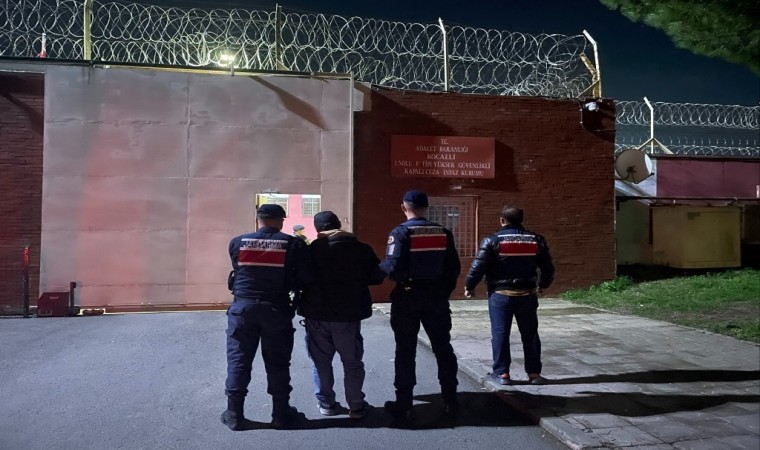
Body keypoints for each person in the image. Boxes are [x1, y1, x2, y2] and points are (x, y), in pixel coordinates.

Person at [222, 204, 313, 431]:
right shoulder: (293, 244)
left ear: (258, 219)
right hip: (276, 310)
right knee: (278, 363)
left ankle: (234, 414)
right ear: (281, 220)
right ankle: (280, 415)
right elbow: (304, 278)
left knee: (238, 361)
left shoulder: (238, 242)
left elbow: (239, 271)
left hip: (242, 310)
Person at [379, 190, 461, 421]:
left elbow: (392, 266)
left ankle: (404, 404)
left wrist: (373, 272)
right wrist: (442, 292)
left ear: (403, 207)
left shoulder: (400, 232)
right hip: (436, 298)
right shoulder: (443, 232)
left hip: (408, 298)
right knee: (443, 349)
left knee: (405, 350)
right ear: (426, 207)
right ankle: (451, 401)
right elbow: (453, 268)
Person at [298, 211, 385, 420]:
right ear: (338, 225)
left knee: (321, 362)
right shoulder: (361, 249)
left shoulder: (311, 251)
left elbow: (300, 278)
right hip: (348, 315)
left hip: (316, 315)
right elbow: (376, 277)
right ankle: (356, 406)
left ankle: (326, 403)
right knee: (352, 362)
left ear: (318, 229)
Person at [464, 205, 555, 386]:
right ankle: (534, 374)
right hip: (527, 294)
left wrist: (470, 286)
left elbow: (477, 267)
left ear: (502, 220)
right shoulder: (536, 240)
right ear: (521, 220)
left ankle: (502, 373)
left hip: (501, 295)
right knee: (530, 334)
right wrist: (543, 285)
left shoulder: (491, 241)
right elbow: (548, 267)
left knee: (500, 333)